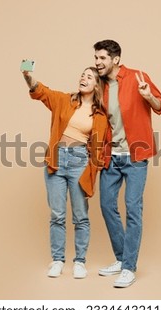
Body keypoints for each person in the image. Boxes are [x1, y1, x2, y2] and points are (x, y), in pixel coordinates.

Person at [93, 40, 161, 288]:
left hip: (135, 157)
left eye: (102, 58)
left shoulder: (138, 77)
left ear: (115, 59)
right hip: (111, 157)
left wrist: (149, 97)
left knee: (133, 210)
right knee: (106, 205)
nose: (97, 62)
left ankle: (128, 267)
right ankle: (121, 257)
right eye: (96, 58)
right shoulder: (101, 85)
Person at [22, 64, 108, 279]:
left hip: (80, 162)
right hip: (56, 159)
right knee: (57, 215)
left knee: (81, 217)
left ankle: (80, 262)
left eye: (89, 77)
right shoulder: (65, 100)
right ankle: (58, 260)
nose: (84, 78)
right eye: (82, 75)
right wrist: (28, 76)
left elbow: (103, 145)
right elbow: (42, 92)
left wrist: (94, 171)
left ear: (97, 85)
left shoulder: (100, 115)